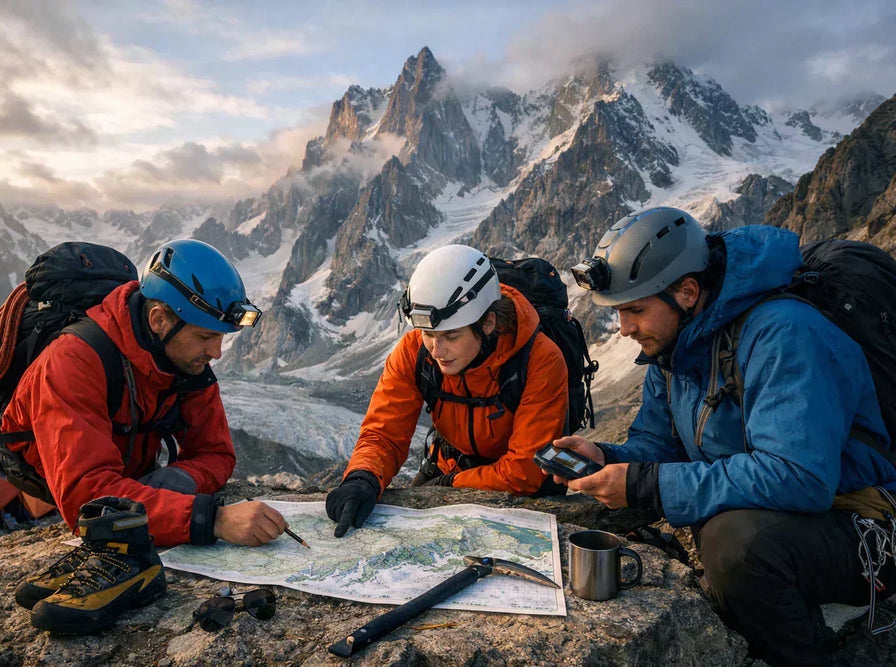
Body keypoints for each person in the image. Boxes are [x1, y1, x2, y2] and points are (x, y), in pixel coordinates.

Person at [548, 207, 896, 666]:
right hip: (793, 516)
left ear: (687, 292)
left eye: (635, 310)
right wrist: (608, 457)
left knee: (735, 544)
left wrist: (645, 484)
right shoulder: (674, 345)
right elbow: (659, 446)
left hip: (862, 518)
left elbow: (799, 476)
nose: (625, 329)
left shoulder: (784, 333)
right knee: (728, 535)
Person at [0, 239, 288, 628]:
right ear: (159, 320)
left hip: (121, 476)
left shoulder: (183, 358)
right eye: (206, 337)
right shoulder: (72, 361)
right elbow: (88, 496)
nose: (216, 352)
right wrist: (212, 519)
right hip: (61, 481)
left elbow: (217, 454)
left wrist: (168, 483)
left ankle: (121, 536)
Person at [326, 245, 569, 537]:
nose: (437, 351)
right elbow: (384, 433)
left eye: (451, 336)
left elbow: (523, 472)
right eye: (428, 334)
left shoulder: (540, 360)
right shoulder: (414, 351)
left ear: (488, 323)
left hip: (516, 484)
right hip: (448, 466)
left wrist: (449, 485)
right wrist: (362, 477)